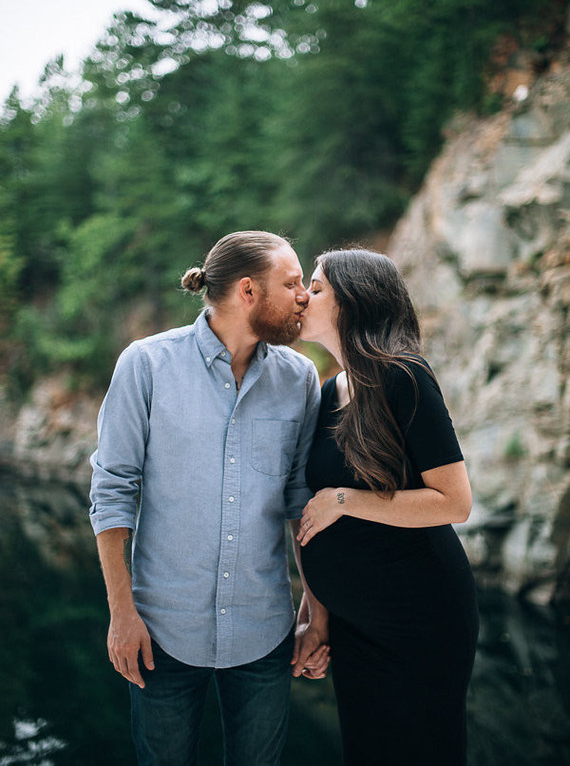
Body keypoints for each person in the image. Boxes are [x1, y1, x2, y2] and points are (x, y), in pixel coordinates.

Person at [89, 231, 330, 766]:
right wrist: (121, 614)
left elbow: (302, 504)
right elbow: (112, 491)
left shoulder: (299, 378)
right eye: (292, 284)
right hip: (160, 633)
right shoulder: (146, 365)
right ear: (248, 291)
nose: (304, 297)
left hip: (264, 632)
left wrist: (317, 612)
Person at [296, 248, 479, 766]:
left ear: (353, 299)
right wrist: (316, 613)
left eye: (316, 287)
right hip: (353, 625)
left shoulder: (404, 376)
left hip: (419, 617)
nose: (303, 297)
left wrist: (344, 500)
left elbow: (455, 502)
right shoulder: (329, 392)